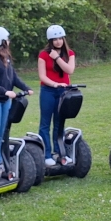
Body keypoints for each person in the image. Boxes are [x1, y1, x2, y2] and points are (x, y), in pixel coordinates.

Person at [0, 27, 33, 181]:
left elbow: (13, 76)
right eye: (7, 38)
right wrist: (5, 91)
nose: (9, 41)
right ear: (1, 41)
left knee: (2, 135)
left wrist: (26, 88)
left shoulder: (6, 56)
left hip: (5, 102)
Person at [37, 24, 76, 167]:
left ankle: (60, 152)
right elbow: (42, 76)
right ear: (50, 41)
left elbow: (70, 70)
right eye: (55, 39)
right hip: (48, 91)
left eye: (60, 38)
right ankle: (46, 154)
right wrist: (54, 84)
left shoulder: (69, 53)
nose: (58, 41)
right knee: (45, 124)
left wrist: (58, 57)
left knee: (59, 123)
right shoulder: (43, 55)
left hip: (64, 92)